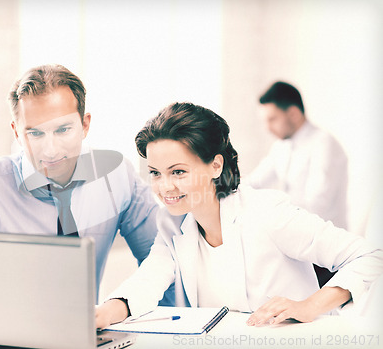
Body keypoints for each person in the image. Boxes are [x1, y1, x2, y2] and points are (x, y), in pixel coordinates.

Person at [95, 102, 383, 329]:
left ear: (215, 166)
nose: (164, 187)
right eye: (155, 174)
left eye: (178, 171)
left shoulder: (267, 212)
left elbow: (370, 255)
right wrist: (101, 315)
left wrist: (310, 305)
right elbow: (148, 280)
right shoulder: (172, 223)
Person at [0, 64, 167, 315]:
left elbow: (164, 256)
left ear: (85, 125)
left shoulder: (117, 177)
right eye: (35, 134)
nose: (51, 150)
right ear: (16, 132)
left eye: (63, 130)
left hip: (88, 337)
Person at [247, 81, 349, 286]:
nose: (268, 128)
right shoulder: (281, 147)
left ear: (293, 113)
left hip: (324, 253)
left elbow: (317, 204)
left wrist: (271, 215)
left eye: (272, 119)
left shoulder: (323, 144)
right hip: (298, 247)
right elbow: (253, 182)